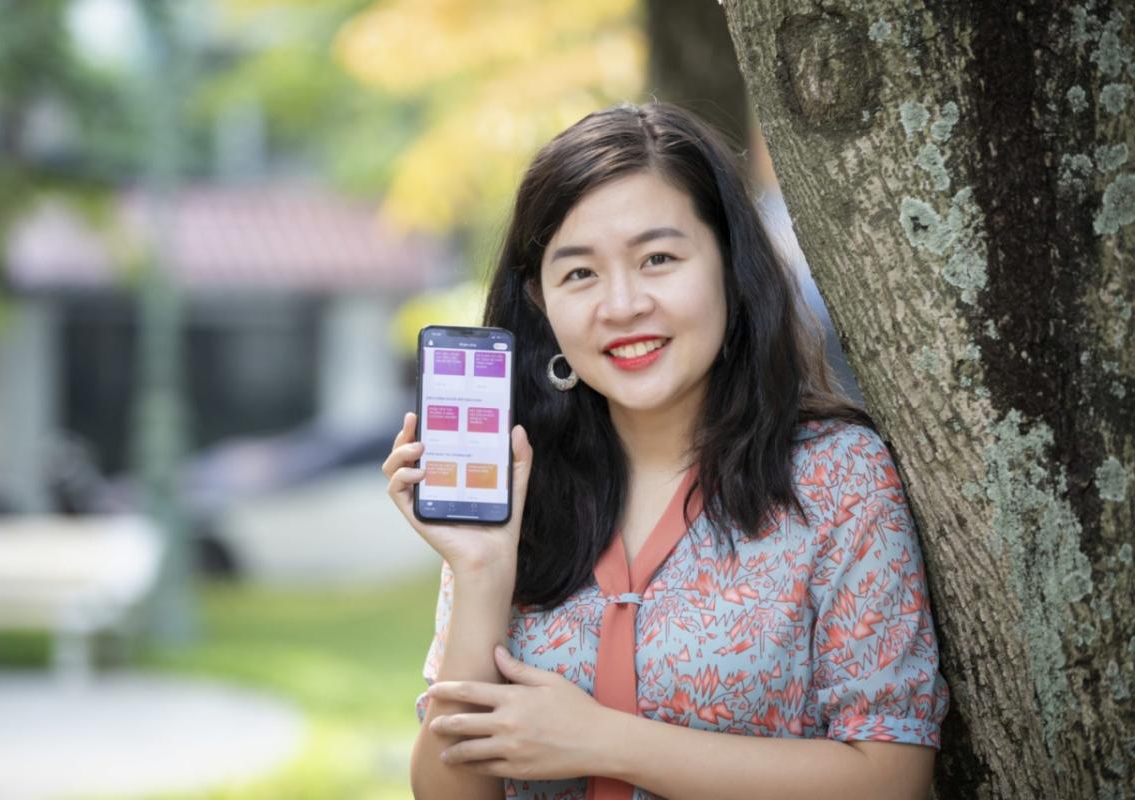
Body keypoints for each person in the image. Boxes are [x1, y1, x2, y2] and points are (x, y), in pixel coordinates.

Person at [383, 100, 949, 800]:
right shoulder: (517, 481)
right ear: (541, 302)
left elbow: (890, 779)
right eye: (580, 273)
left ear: (729, 264)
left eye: (658, 259)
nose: (622, 305)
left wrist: (603, 741)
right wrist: (480, 570)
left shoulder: (837, 476)